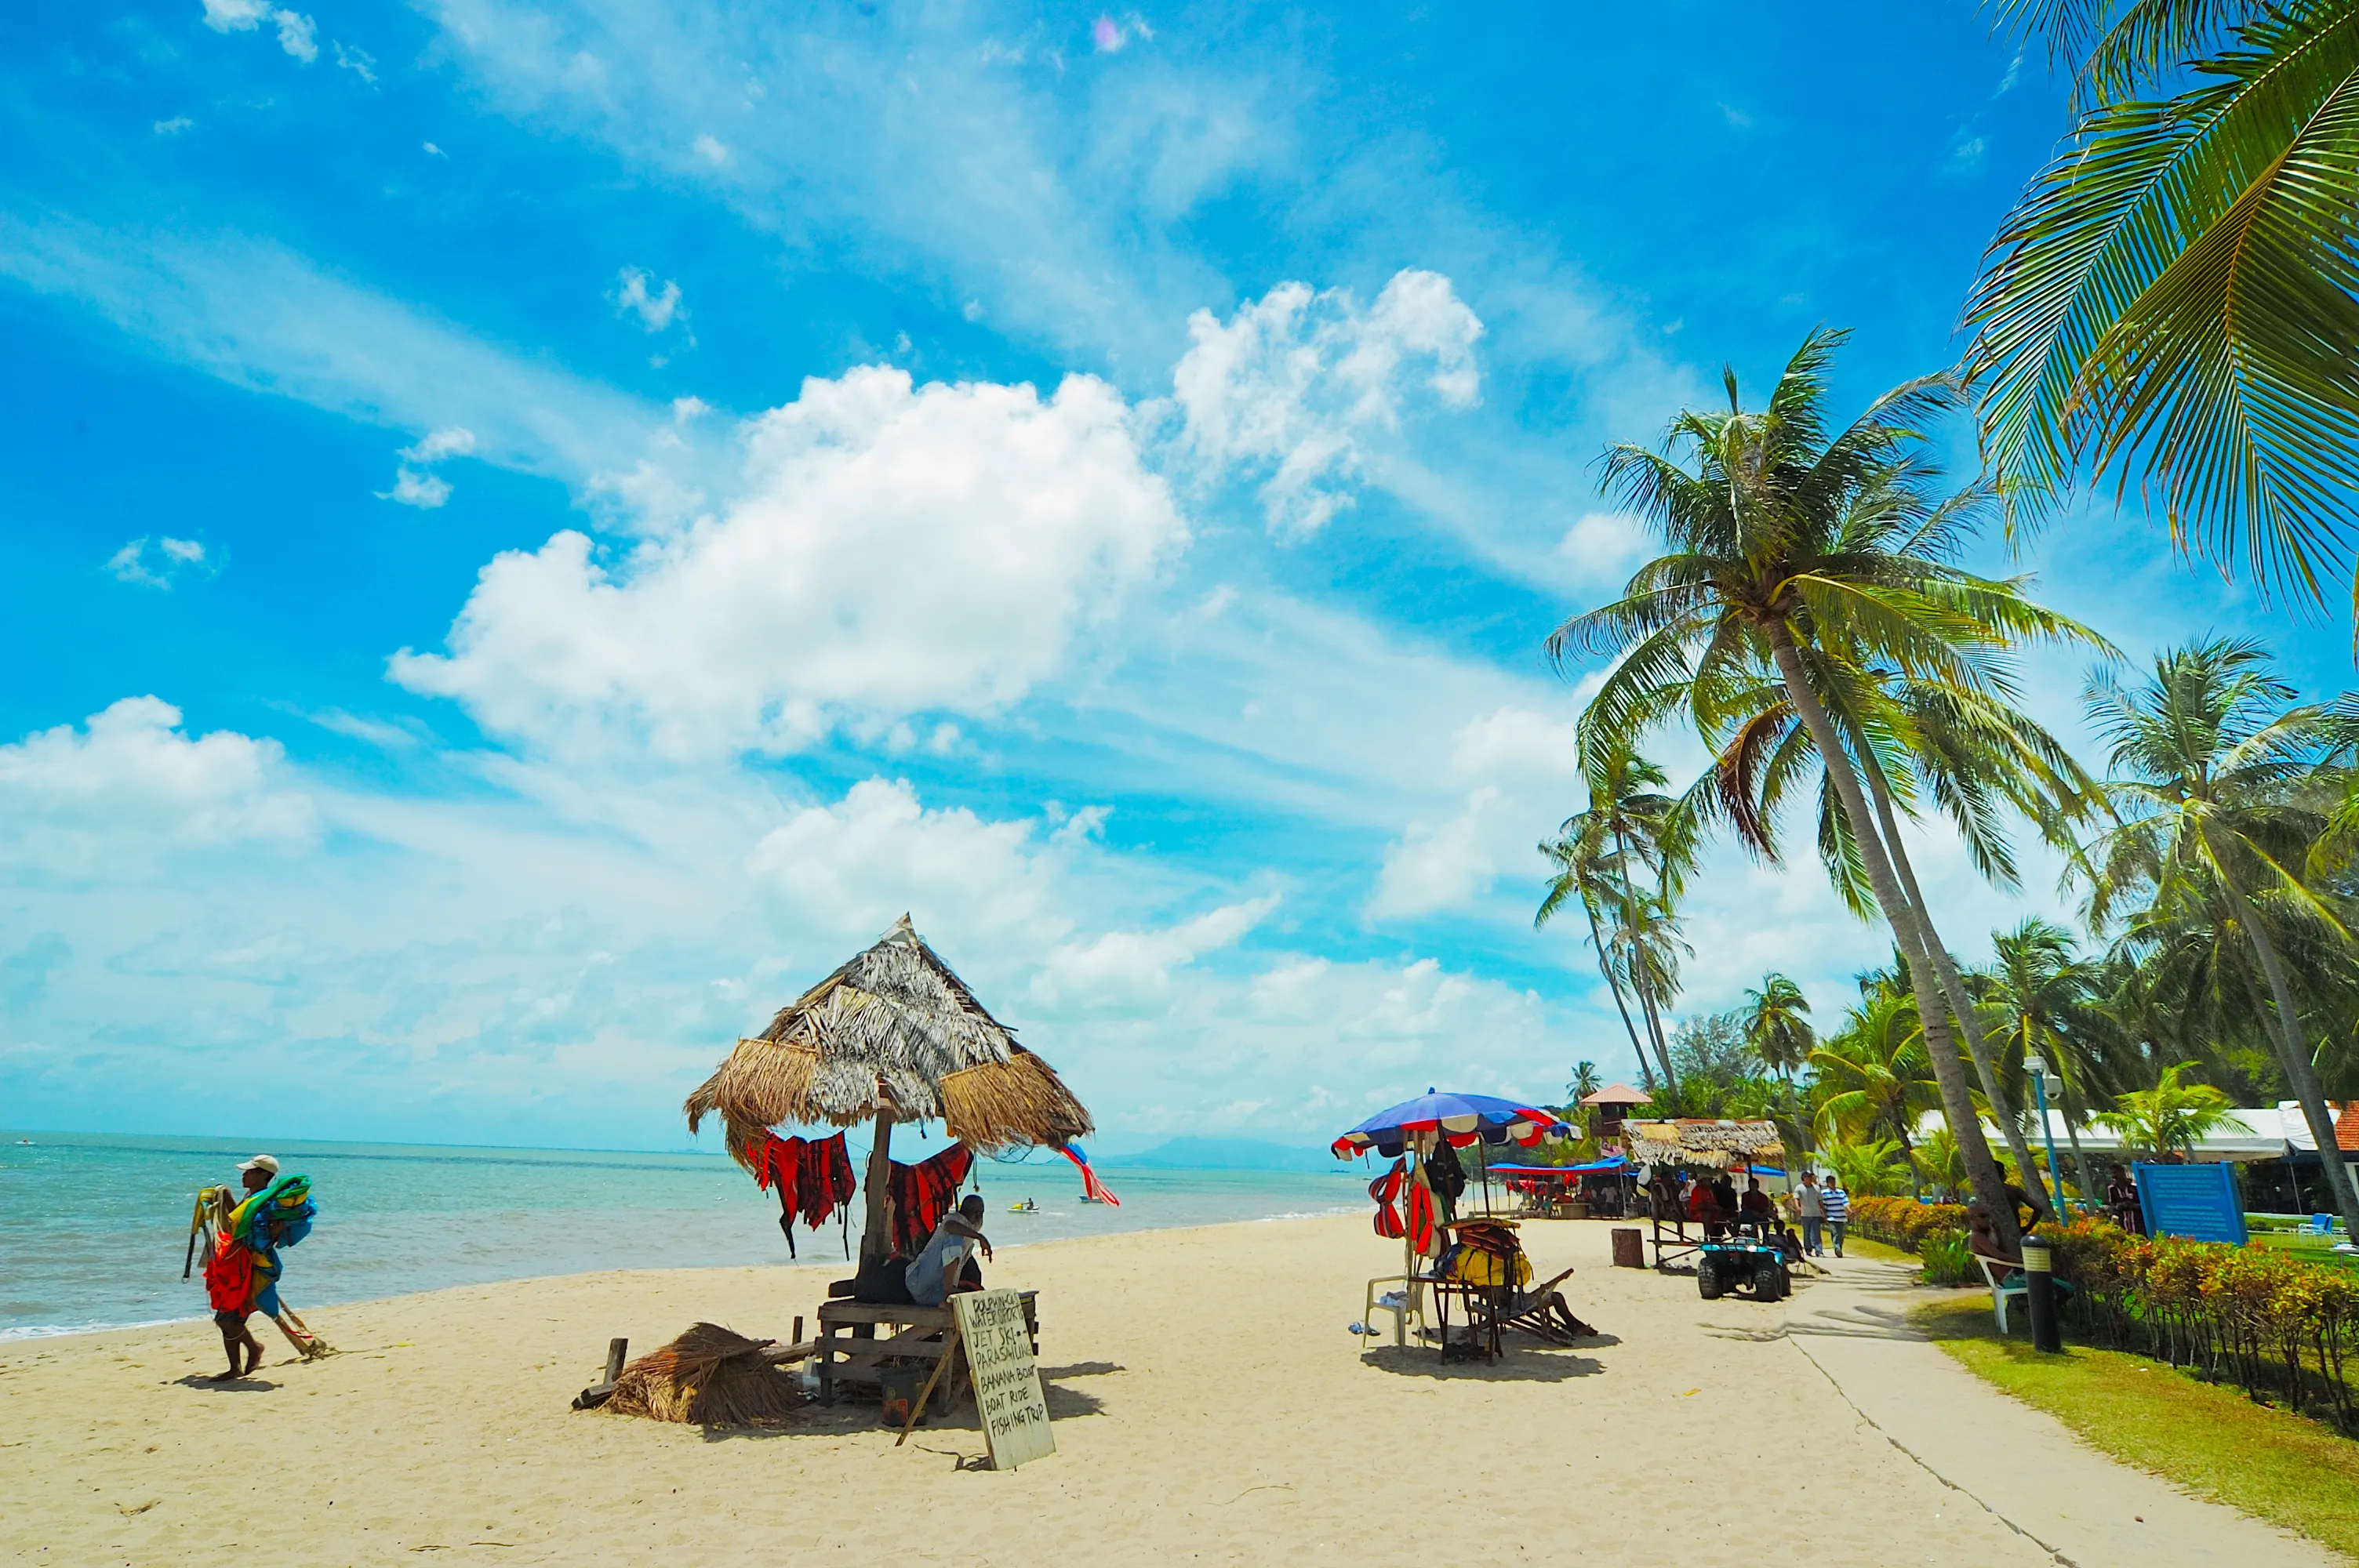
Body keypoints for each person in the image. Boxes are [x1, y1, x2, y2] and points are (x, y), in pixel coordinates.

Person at [208, 1156, 278, 1379]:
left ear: (264, 1175)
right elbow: (235, 1219)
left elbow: (241, 1228)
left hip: (249, 1267)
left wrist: (226, 1198)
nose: (244, 1175)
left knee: (228, 1319)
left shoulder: (264, 1201)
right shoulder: (252, 1196)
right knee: (227, 1318)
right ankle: (234, 1368)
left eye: (250, 1172)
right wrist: (226, 1198)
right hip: (236, 1262)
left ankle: (255, 1348)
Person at [904, 1193, 993, 1307]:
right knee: (954, 1238)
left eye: (980, 1213)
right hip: (918, 1281)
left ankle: (947, 1296)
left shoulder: (968, 1237)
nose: (978, 1216)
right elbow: (949, 1226)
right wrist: (979, 1237)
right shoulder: (954, 1220)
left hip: (934, 1294)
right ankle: (948, 1291)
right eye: (976, 1212)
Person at [2105, 1163, 2145, 1234]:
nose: (2114, 1176)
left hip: (2139, 1223)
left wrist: (2133, 1206)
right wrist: (2119, 1207)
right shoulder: (2112, 1189)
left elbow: (2145, 1205)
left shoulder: (2135, 1187)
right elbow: (2112, 1205)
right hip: (2123, 1224)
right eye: (2112, 1174)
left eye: (2115, 1173)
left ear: (2122, 1172)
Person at [1794, 1171, 1826, 1256]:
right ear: (1803, 1177)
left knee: (1816, 1233)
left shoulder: (1817, 1188)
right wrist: (1798, 1207)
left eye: (1811, 1176)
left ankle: (1819, 1250)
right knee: (1806, 1232)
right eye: (1807, 1176)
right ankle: (1808, 1249)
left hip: (1816, 1213)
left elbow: (1820, 1200)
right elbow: (1796, 1198)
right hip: (1805, 1214)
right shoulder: (1799, 1188)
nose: (1810, 1178)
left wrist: (1823, 1211)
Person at [1820, 1171, 1850, 1258]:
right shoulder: (1824, 1193)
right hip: (1831, 1218)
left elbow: (1845, 1202)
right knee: (1835, 1233)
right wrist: (1824, 1216)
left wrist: (1849, 1210)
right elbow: (1823, 1205)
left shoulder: (1841, 1192)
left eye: (1834, 1182)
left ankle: (1839, 1248)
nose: (1833, 1184)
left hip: (1841, 1217)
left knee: (1841, 1235)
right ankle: (1837, 1248)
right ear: (1827, 1183)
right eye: (1831, 1182)